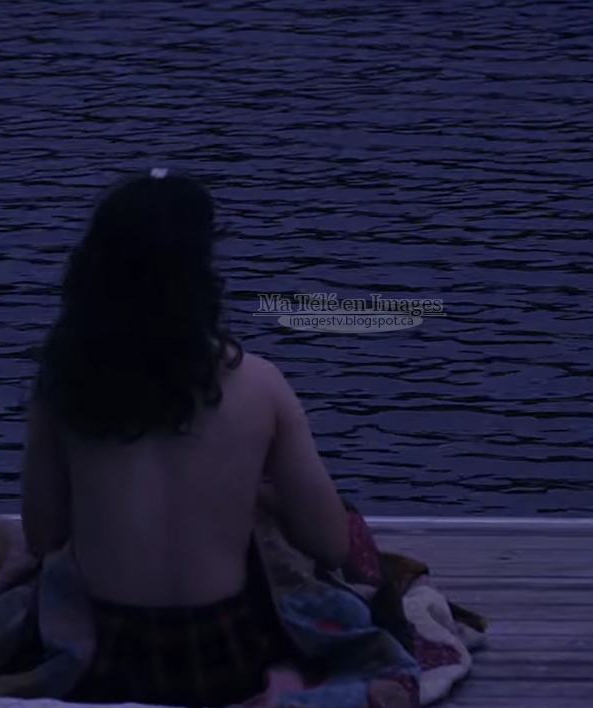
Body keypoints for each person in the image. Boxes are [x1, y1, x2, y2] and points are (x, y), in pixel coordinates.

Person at [20, 168, 353, 707]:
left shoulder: (63, 383)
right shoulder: (261, 385)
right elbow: (332, 545)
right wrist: (254, 498)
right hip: (226, 663)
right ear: (200, 275)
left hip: (107, 664)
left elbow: (43, 538)